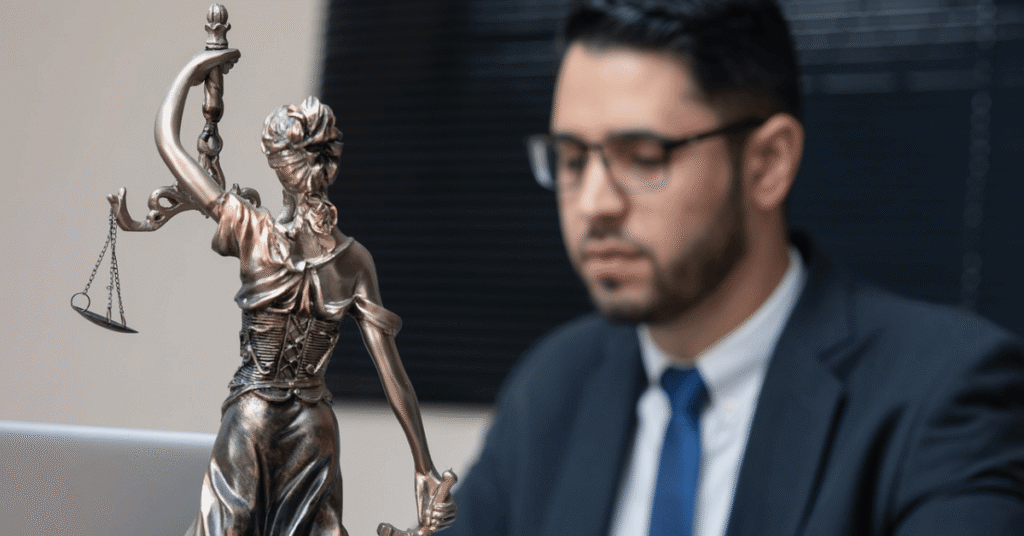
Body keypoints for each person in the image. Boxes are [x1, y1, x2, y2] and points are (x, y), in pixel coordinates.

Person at [448, 1, 1024, 535]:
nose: (593, 202)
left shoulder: (943, 392)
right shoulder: (554, 384)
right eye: (572, 159)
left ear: (768, 163)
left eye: (643, 157)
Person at [116, 48, 457, 536]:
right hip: (313, 428)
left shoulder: (252, 232)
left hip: (255, 417)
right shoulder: (352, 259)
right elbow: (394, 376)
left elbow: (167, 142)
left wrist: (194, 72)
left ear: (278, 162)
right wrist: (423, 466)